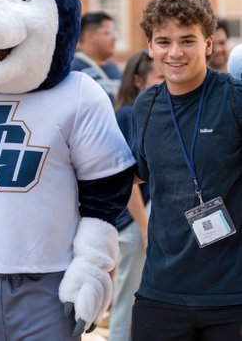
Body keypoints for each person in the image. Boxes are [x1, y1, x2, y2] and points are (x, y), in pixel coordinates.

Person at [130, 0, 242, 340]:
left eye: (187, 40)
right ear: (150, 47)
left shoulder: (235, 99)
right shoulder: (145, 105)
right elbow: (138, 178)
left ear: (209, 44)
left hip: (231, 296)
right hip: (161, 291)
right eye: (163, 41)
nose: (175, 52)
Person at [109, 50, 164, 341]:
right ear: (139, 81)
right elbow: (126, 180)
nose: (165, 84)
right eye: (159, 78)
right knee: (127, 299)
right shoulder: (130, 114)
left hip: (138, 221)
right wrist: (143, 229)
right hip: (134, 220)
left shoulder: (142, 112)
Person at [72, 11, 121, 102]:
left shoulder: (114, 68)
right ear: (89, 36)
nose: (114, 38)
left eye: (114, 32)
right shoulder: (73, 68)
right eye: (107, 33)